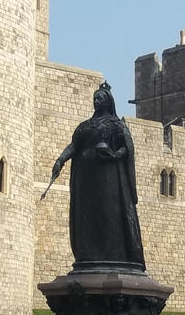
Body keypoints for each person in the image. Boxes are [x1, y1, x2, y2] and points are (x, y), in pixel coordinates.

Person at [49, 82, 145, 272]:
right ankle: (90, 254)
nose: (96, 101)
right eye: (95, 98)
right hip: (86, 179)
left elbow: (127, 147)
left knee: (109, 215)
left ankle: (112, 255)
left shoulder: (116, 125)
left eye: (100, 98)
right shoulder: (84, 127)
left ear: (108, 102)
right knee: (88, 216)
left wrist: (114, 154)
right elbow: (74, 146)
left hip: (109, 179)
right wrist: (60, 160)